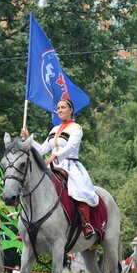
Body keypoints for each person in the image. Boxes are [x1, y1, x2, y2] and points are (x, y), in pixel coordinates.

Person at [20, 98, 99, 238]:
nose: (60, 110)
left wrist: (54, 156)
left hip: (70, 165)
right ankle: (29, 223)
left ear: (71, 110)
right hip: (52, 166)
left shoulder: (76, 128)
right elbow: (43, 149)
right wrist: (28, 139)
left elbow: (70, 147)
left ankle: (86, 224)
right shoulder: (54, 129)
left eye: (63, 107)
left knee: (78, 190)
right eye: (58, 108)